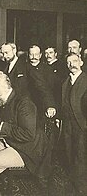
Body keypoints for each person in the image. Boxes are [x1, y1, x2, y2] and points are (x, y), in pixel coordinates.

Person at [0, 71, 52, 195]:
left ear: (4, 87)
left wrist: (1, 127)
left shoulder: (24, 103)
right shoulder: (6, 102)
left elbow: (28, 134)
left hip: (29, 150)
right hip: (14, 144)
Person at [60, 53, 87, 195]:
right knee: (70, 154)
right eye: (69, 62)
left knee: (81, 158)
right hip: (68, 126)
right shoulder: (66, 82)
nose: (72, 64)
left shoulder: (85, 80)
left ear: (81, 62)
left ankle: (82, 189)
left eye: (75, 61)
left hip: (82, 126)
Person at [27, 45, 56, 127]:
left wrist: (50, 105)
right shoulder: (24, 68)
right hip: (28, 106)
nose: (33, 57)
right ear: (28, 55)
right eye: (31, 54)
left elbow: (50, 90)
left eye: (36, 54)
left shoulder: (47, 69)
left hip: (42, 107)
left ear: (40, 55)